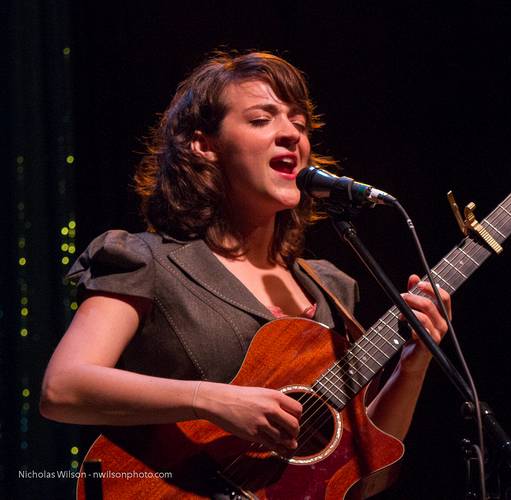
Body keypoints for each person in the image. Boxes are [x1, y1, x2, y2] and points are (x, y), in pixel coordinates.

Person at [40, 51, 451, 465]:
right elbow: (63, 388)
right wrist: (213, 400)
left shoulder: (331, 287)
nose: (291, 133)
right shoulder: (145, 261)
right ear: (205, 145)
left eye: (299, 123)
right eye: (261, 119)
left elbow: (358, 465)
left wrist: (410, 369)